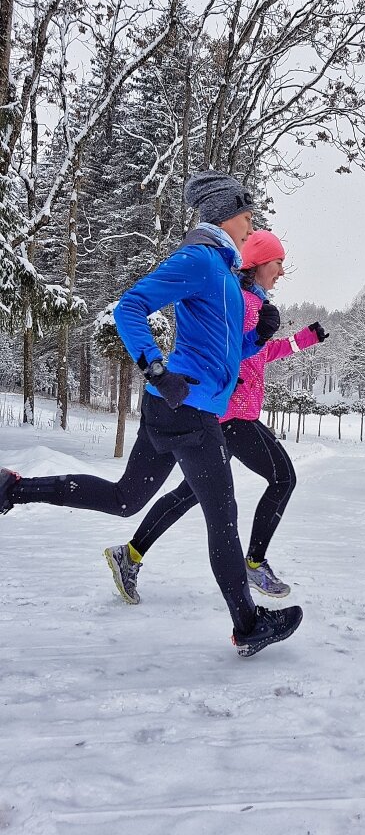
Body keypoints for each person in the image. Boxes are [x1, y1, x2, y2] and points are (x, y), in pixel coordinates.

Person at [0, 170, 303, 658]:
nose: (251, 224)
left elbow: (221, 349)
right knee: (222, 517)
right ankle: (247, 623)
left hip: (177, 407)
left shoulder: (223, 272)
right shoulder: (201, 259)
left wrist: (258, 337)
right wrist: (156, 367)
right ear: (227, 214)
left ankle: (13, 489)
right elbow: (131, 307)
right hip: (188, 407)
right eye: (247, 215)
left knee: (126, 498)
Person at [104, 228, 329, 605]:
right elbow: (227, 352)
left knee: (188, 493)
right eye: (278, 263)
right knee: (282, 478)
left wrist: (302, 339)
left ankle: (130, 554)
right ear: (257, 264)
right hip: (232, 415)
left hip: (222, 416)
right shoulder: (238, 300)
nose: (282, 272)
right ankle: (254, 563)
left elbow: (260, 353)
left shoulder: (252, 302)